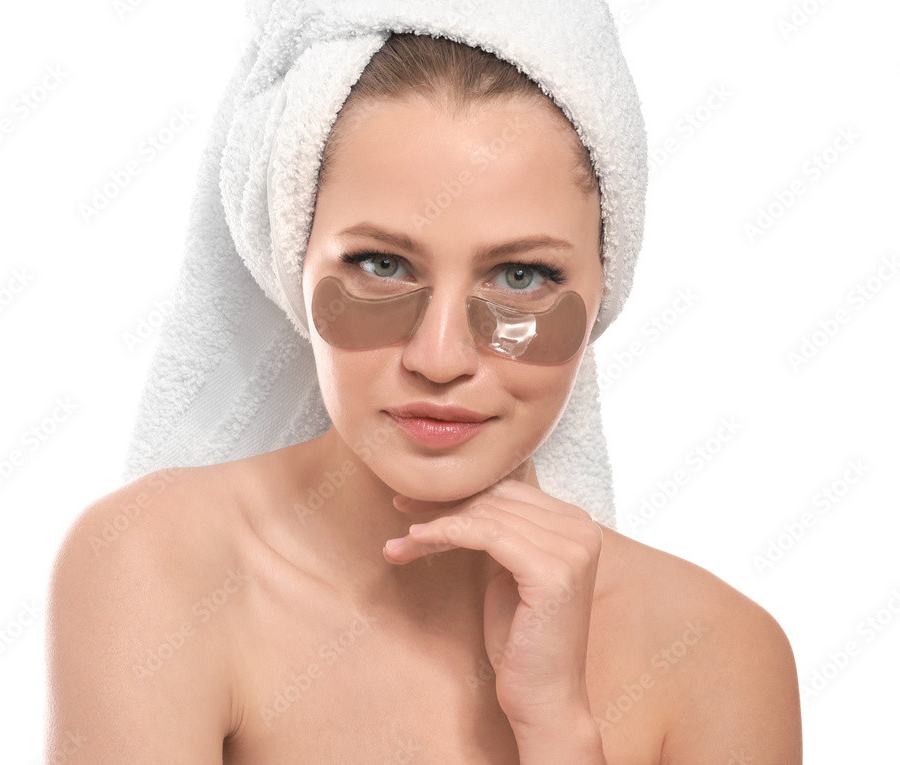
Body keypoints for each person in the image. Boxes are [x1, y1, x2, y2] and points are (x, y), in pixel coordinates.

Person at [45, 21, 802, 765]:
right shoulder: (157, 568)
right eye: (381, 264)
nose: (440, 357)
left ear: (607, 286)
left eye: (521, 277)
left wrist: (558, 730)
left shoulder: (721, 656)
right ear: (293, 261)